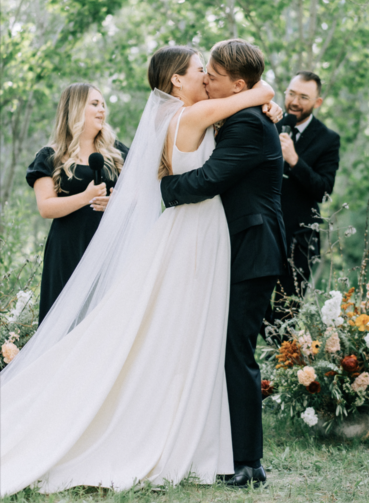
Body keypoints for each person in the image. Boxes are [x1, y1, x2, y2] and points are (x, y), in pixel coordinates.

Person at [0, 45, 282, 495]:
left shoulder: (181, 116)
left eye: (212, 72)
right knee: (189, 337)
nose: (206, 78)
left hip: (204, 234)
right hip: (197, 232)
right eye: (199, 71)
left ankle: (208, 441)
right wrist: (265, 91)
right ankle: (195, 441)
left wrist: (268, 100)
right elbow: (244, 101)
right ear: (176, 81)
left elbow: (242, 104)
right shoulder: (192, 116)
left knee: (191, 338)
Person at [161, 39, 287, 488]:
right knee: (228, 349)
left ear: (236, 84)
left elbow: (210, 179)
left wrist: (157, 191)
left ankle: (250, 463)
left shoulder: (249, 124)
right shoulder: (243, 112)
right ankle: (231, 452)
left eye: (212, 75)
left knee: (238, 353)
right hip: (239, 248)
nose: (206, 80)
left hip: (254, 249)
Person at [26, 83, 129, 324]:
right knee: (64, 323)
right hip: (68, 248)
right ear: (75, 109)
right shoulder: (49, 156)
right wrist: (86, 197)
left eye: (103, 104)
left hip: (109, 247)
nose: (102, 110)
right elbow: (45, 207)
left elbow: (139, 194)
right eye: (94, 104)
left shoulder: (117, 153)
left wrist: (117, 201)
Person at [272, 71, 340, 326]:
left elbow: (323, 190)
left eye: (303, 97)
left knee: (287, 314)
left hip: (300, 241)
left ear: (317, 102)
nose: (294, 102)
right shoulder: (269, 123)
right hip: (262, 230)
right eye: (291, 94)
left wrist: (295, 161)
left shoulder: (328, 139)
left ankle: (281, 363)